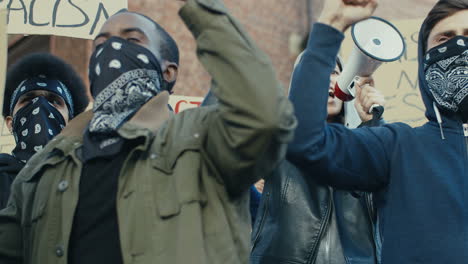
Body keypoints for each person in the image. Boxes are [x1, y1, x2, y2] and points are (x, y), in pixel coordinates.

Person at [0, 0, 296, 263]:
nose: (111, 50)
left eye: (132, 39)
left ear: (169, 71)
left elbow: (267, 116)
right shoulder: (47, 168)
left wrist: (200, 8)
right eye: (100, 44)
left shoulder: (201, 139)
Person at [287, 0, 468, 263]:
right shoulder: (398, 146)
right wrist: (331, 25)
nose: (459, 47)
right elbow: (305, 142)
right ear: (424, 62)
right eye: (444, 39)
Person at [251, 54, 385, 263]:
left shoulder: (362, 145)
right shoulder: (277, 142)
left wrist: (374, 124)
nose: (328, 79)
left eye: (334, 72)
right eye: (317, 71)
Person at [0, 53, 88, 209]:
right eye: (28, 99)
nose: (39, 105)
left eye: (54, 101)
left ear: (70, 122)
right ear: (10, 123)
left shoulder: (86, 180)